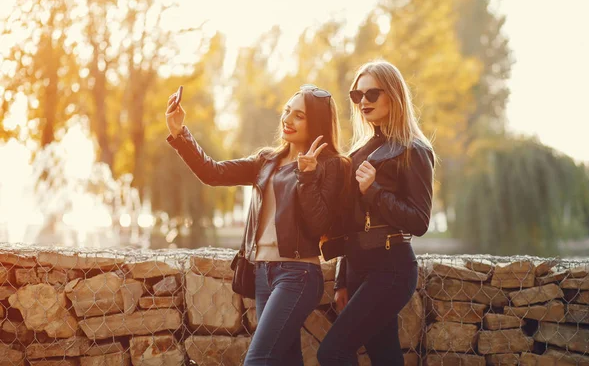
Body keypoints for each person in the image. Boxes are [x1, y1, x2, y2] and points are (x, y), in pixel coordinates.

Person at [165, 84, 349, 365]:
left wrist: (307, 177)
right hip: (262, 273)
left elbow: (318, 225)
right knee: (285, 359)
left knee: (258, 359)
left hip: (297, 274)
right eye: (287, 111)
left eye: (299, 115)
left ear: (318, 123)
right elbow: (212, 173)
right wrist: (180, 133)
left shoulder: (331, 166)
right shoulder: (266, 160)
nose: (288, 119)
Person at [317, 60, 435, 365]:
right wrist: (343, 277)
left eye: (372, 94)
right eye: (357, 96)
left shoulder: (414, 150)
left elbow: (419, 221)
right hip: (358, 267)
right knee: (385, 356)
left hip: (391, 267)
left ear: (393, 95)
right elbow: (350, 221)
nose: (363, 102)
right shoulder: (360, 151)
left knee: (332, 351)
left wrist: (374, 191)